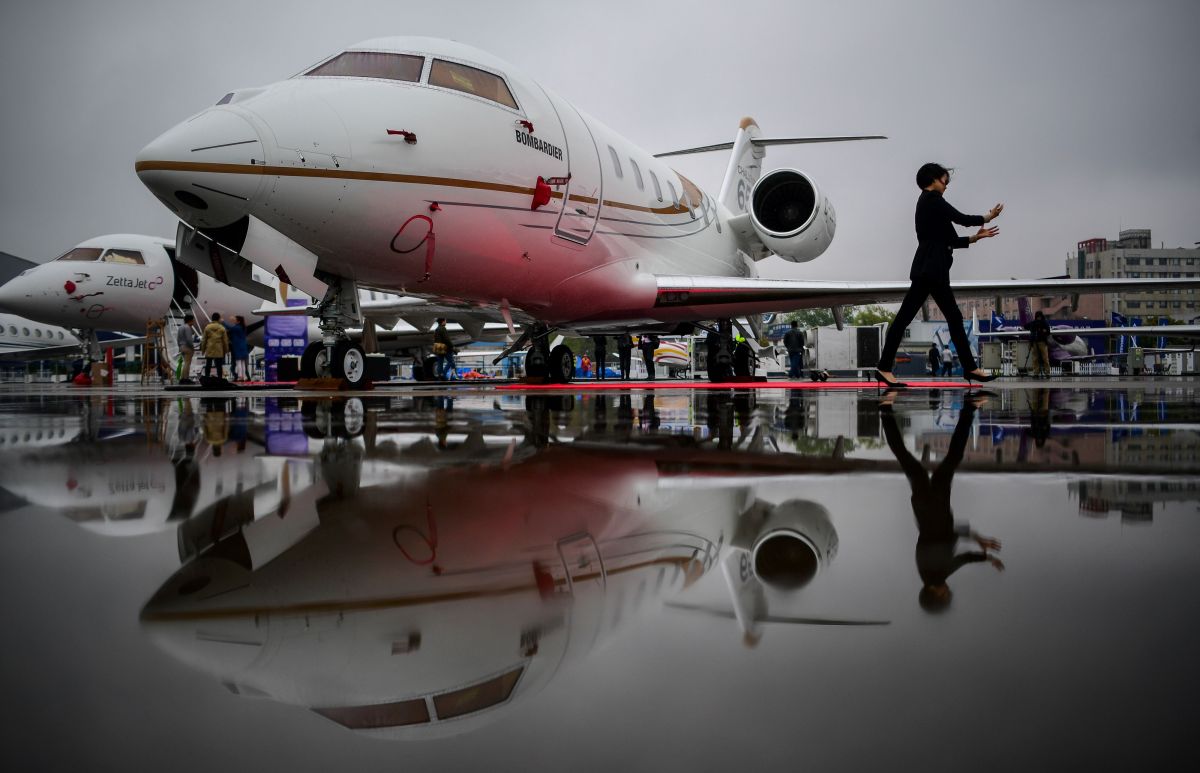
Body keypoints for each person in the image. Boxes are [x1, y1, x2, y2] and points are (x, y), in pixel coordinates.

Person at [875, 163, 1003, 387]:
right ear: (933, 180)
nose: (946, 185)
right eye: (944, 180)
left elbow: (950, 239)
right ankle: (970, 368)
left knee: (938, 318)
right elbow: (961, 218)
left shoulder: (930, 205)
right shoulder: (932, 200)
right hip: (932, 270)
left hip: (931, 268)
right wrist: (987, 216)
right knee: (942, 318)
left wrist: (976, 238)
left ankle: (885, 368)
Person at [879, 394, 1004, 613]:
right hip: (926, 504)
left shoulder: (934, 573)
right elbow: (960, 558)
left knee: (947, 457)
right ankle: (886, 409)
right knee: (908, 456)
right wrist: (984, 554)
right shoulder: (932, 574)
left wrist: (977, 540)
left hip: (934, 504)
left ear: (935, 594)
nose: (949, 593)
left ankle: (969, 408)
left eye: (945, 598)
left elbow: (948, 540)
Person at [201, 312, 230, 379]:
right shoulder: (222, 328)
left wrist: (203, 350)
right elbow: (225, 341)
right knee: (219, 365)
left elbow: (204, 340)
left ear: (212, 319)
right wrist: (226, 350)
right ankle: (220, 378)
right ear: (219, 319)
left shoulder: (207, 327)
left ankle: (207, 377)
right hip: (219, 349)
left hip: (209, 349)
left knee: (208, 365)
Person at [1024, 310, 1052, 379]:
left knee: (1038, 358)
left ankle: (1038, 373)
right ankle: (1045, 373)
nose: (1038, 318)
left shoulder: (1038, 323)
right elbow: (1048, 331)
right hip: (1038, 342)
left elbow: (1025, 326)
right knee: (1042, 358)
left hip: (1038, 342)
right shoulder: (1043, 323)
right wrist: (1042, 331)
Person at [225, 315, 250, 381]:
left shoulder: (237, 327)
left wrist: (223, 322)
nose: (234, 320)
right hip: (243, 346)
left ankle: (240, 376)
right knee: (243, 363)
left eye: (235, 319)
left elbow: (229, 327)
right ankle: (244, 376)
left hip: (238, 347)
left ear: (238, 321)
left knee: (238, 362)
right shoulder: (242, 327)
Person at [177, 313, 196, 384]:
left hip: (181, 346)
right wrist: (192, 347)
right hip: (187, 347)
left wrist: (180, 346)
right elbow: (189, 339)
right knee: (187, 363)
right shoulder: (187, 327)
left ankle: (182, 378)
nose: (194, 322)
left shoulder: (181, 327)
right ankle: (186, 378)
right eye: (193, 320)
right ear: (190, 320)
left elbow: (178, 339)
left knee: (185, 363)